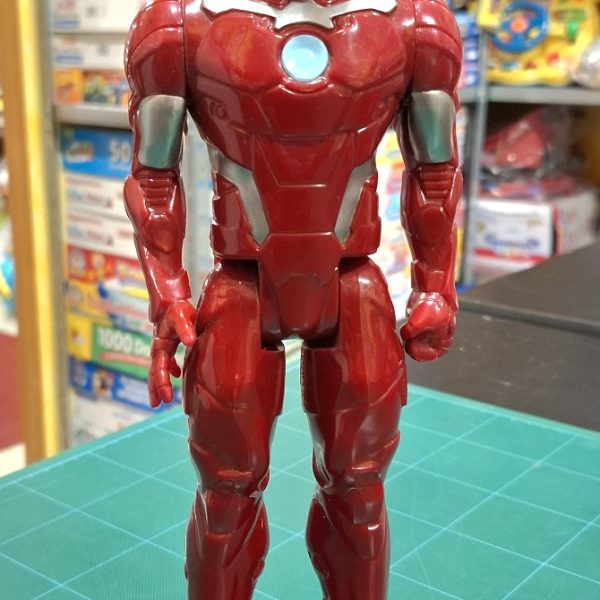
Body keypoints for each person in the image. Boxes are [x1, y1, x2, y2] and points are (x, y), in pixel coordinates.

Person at [123, 1, 462, 598]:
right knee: (227, 490)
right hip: (241, 285)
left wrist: (436, 285)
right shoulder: (178, 28)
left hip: (352, 283)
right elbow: (154, 179)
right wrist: (166, 291)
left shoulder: (415, 26)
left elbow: (435, 169)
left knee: (359, 486)